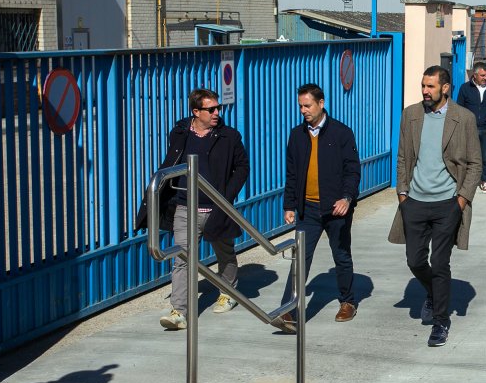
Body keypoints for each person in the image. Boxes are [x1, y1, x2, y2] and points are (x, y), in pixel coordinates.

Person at [136, 88, 249, 330]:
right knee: (182, 258)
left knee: (224, 252)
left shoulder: (229, 136)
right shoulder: (180, 134)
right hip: (185, 207)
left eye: (218, 108)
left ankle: (228, 292)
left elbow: (242, 167)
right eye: (211, 109)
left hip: (217, 207)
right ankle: (180, 311)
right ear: (196, 112)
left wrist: (226, 196)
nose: (217, 113)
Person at [388, 66, 482, 347]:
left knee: (440, 263)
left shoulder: (462, 118)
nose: (425, 91)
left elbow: (475, 163)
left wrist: (461, 199)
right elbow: (404, 156)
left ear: (445, 88)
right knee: (414, 260)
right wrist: (402, 194)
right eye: (423, 86)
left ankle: (441, 322)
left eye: (430, 86)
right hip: (414, 201)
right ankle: (433, 292)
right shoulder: (411, 115)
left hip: (447, 204)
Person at [274, 84, 361, 333]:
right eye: (300, 105)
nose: (303, 110)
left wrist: (346, 198)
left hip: (336, 209)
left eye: (307, 105)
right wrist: (289, 205)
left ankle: (348, 301)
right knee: (300, 259)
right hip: (307, 210)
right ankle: (288, 310)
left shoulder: (341, 133)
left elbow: (352, 170)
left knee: (341, 255)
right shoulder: (296, 135)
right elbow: (292, 173)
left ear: (321, 104)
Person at [455, 61, 486, 193]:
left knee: (485, 157)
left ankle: (484, 181)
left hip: (485, 128)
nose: (485, 78)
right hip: (469, 129)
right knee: (466, 156)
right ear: (475, 75)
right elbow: (459, 108)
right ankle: (465, 181)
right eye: (482, 75)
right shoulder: (465, 88)